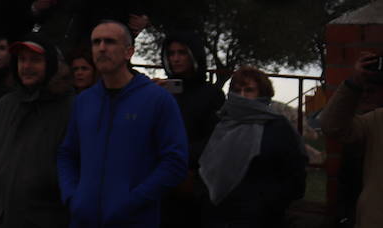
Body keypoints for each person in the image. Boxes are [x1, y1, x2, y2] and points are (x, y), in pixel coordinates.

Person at [57, 21, 188, 228]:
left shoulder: (157, 100)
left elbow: (175, 162)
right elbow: (67, 154)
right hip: (83, 220)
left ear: (129, 51)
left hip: (135, 220)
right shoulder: (84, 101)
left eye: (109, 42)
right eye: (96, 42)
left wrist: (132, 201)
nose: (101, 48)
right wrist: (73, 196)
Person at [0, 37, 74, 228]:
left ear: (52, 64)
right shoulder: (5, 104)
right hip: (2, 216)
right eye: (22, 60)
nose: (26, 66)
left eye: (35, 60)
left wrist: (46, 181)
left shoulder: (71, 108)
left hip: (48, 217)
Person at [198, 65, 306, 228]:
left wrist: (267, 203)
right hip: (219, 216)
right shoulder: (221, 124)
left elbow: (294, 177)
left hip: (261, 218)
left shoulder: (277, 127)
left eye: (249, 90)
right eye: (237, 90)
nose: (241, 96)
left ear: (262, 95)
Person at [157, 29, 224, 227]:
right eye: (171, 53)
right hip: (160, 179)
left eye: (182, 52)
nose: (176, 58)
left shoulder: (212, 95)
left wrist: (183, 160)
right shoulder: (160, 92)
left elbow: (215, 139)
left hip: (195, 182)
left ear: (194, 55)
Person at [320, 48, 383, 228]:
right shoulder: (375, 121)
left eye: (371, 91)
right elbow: (332, 126)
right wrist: (354, 82)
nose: (364, 97)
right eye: (362, 92)